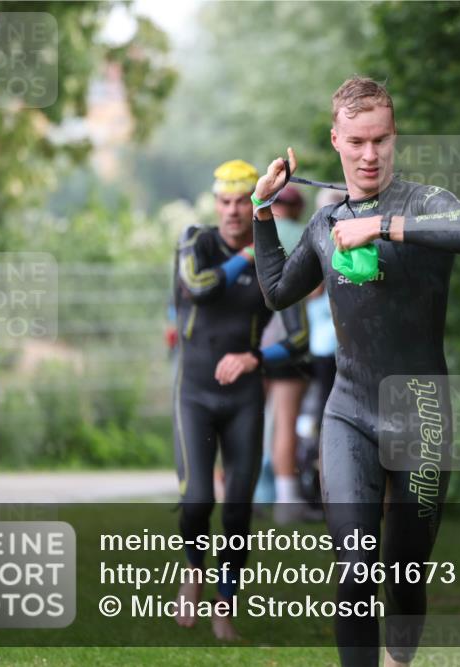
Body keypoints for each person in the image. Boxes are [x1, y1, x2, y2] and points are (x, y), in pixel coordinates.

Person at [251, 77, 460, 667]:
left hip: (423, 419)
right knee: (355, 569)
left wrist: (381, 226)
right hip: (349, 413)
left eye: (380, 139)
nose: (368, 154)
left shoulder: (425, 202)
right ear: (336, 139)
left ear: (393, 137)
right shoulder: (323, 223)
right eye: (356, 140)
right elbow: (279, 291)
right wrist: (261, 210)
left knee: (404, 573)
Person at [171, 159, 308, 641]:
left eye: (241, 202)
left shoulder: (271, 260)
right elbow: (198, 287)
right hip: (194, 393)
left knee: (237, 510)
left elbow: (299, 339)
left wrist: (253, 358)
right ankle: (193, 571)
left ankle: (224, 606)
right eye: (225, 202)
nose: (232, 212)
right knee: (196, 500)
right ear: (215, 205)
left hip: (244, 398)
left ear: (254, 204)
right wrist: (243, 260)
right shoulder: (196, 240)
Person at [259, 185, 320, 524]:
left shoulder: (253, 234)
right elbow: (317, 291)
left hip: (249, 341)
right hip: (288, 340)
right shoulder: (304, 233)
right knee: (285, 420)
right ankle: (285, 501)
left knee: (246, 421)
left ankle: (240, 494)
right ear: (298, 208)